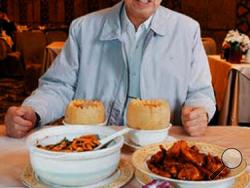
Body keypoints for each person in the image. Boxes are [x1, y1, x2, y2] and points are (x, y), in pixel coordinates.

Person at [4, 0, 215, 138]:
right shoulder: (83, 28)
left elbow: (200, 92)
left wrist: (199, 112)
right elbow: (59, 87)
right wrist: (33, 111)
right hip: (95, 144)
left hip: (160, 147)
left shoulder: (188, 30)